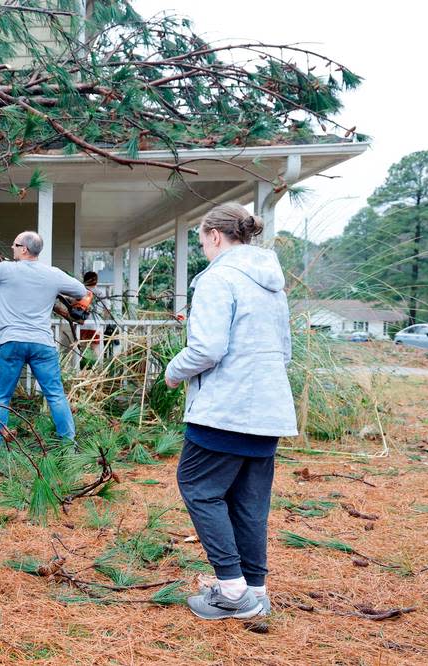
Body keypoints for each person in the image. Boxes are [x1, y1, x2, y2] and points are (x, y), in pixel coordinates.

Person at [164, 203, 297, 621]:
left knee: (198, 487)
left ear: (216, 236)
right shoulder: (272, 282)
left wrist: (172, 371)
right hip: (269, 409)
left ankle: (233, 591)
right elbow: (286, 351)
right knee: (249, 502)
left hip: (225, 409)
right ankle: (255, 589)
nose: (203, 247)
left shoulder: (218, 278)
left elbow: (207, 348)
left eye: (202, 240)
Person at [0, 232, 88, 445]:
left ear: (24, 249)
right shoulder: (53, 274)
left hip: (12, 343)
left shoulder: (6, 270)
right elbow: (81, 291)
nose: (12, 247)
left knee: (2, 398)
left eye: (15, 244)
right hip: (42, 345)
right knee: (56, 396)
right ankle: (67, 444)